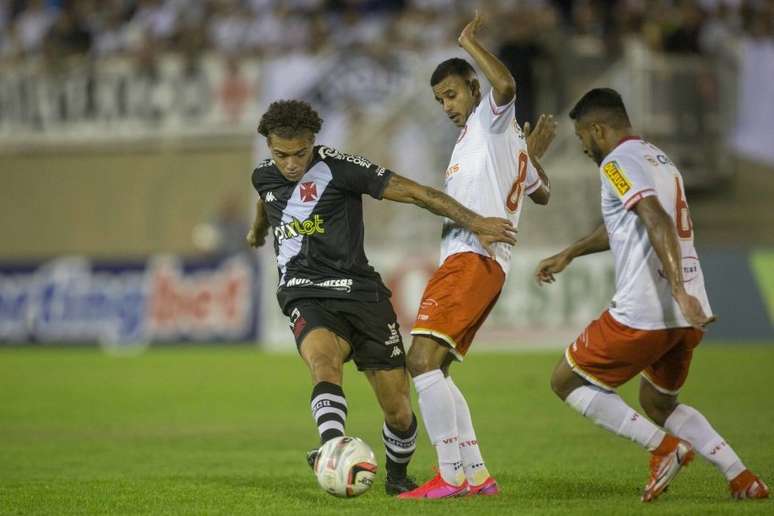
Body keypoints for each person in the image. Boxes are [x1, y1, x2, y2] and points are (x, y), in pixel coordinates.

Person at [247, 99, 517, 495]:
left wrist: (476, 222)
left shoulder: (343, 168)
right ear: (270, 148)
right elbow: (265, 201)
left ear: (313, 143)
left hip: (362, 295)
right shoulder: (264, 176)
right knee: (323, 364)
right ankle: (331, 449)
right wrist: (258, 232)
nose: (290, 163)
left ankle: (396, 477)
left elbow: (416, 193)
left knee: (399, 409)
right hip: (304, 293)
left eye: (299, 153)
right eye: (280, 155)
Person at [535, 88, 769, 502]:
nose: (583, 147)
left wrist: (675, 289)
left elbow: (654, 216)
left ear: (597, 129)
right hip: (687, 314)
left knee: (565, 380)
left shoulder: (616, 165)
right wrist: (570, 252)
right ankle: (741, 476)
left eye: (581, 137)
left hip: (648, 308)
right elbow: (628, 222)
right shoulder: (659, 160)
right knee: (658, 402)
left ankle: (663, 449)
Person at [398, 11, 555, 499]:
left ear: (472, 88)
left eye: (452, 94)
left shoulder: (490, 119)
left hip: (472, 261)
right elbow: (541, 192)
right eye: (439, 99)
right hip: (477, 264)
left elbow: (505, 84)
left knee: (420, 361)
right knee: (436, 369)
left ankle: (450, 475)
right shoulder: (489, 142)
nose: (446, 105)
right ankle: (477, 474)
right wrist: (529, 153)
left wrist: (468, 42)